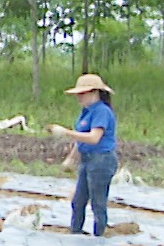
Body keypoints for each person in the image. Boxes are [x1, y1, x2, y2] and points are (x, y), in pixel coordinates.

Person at [49, 73, 118, 237]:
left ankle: (99, 236)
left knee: (98, 202)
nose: (78, 97)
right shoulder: (86, 111)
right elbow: (82, 138)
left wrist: (66, 132)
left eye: (82, 93)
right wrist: (72, 158)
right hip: (87, 160)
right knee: (78, 200)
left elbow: (94, 138)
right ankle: (76, 232)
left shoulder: (102, 111)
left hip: (101, 160)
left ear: (94, 92)